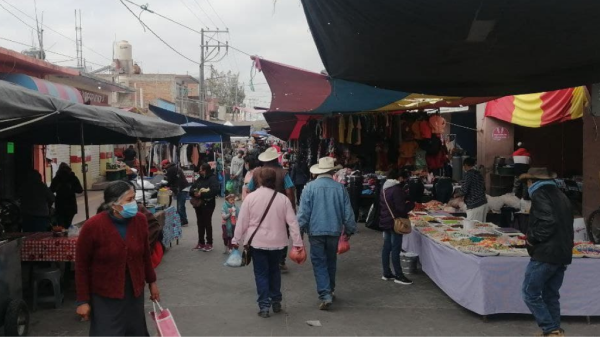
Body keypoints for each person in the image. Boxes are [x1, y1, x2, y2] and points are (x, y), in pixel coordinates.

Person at [75, 181, 160, 336]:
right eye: (129, 200)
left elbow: (145, 256)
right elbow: (81, 266)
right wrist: (82, 300)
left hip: (134, 293)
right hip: (104, 295)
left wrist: (152, 282)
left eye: (134, 198)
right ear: (114, 205)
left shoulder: (140, 221)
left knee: (136, 332)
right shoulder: (93, 226)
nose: (134, 203)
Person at [232, 167, 304, 318]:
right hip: (278, 243)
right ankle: (276, 300)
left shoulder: (250, 198)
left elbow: (242, 222)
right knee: (275, 271)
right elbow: (293, 222)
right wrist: (298, 243)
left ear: (259, 180)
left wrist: (235, 239)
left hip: (257, 243)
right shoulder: (282, 199)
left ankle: (264, 305)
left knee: (261, 274)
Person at [519, 168, 573, 337]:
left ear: (531, 181)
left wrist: (531, 239)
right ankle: (556, 330)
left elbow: (548, 222)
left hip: (546, 253)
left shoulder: (540, 194)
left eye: (527, 182)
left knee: (530, 293)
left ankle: (550, 329)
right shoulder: (560, 194)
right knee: (550, 294)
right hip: (562, 252)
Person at [297, 157, 356, 310]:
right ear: (332, 171)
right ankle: (330, 289)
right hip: (334, 231)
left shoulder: (309, 188)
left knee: (319, 262)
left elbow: (303, 213)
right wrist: (349, 230)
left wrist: (299, 232)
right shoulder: (340, 188)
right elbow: (348, 213)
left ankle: (325, 294)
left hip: (315, 231)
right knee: (331, 260)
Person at [247, 147, 296, 272]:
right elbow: (289, 191)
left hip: (259, 207)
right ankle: (280, 260)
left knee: (262, 228)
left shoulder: (257, 173)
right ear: (275, 158)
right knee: (283, 231)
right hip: (280, 207)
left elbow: (249, 189)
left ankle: (264, 256)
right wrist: (291, 207)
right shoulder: (283, 173)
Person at [379, 169, 415, 284]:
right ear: (399, 178)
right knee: (396, 248)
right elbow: (401, 209)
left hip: (386, 221)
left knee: (386, 247)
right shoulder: (396, 189)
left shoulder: (384, 187)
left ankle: (386, 273)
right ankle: (399, 275)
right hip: (395, 223)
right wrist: (411, 204)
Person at [189, 163, 220, 252]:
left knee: (207, 223)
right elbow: (192, 188)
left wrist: (202, 194)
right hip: (198, 205)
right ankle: (201, 242)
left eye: (201, 170)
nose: (200, 171)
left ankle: (209, 243)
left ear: (205, 170)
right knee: (200, 223)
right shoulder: (200, 179)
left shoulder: (212, 178)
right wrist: (194, 192)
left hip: (208, 204)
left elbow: (215, 191)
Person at [50, 163, 84, 229]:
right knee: (64, 225)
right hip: (64, 205)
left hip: (67, 205)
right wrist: (57, 187)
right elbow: (51, 190)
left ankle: (65, 236)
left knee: (64, 225)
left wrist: (71, 187)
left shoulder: (72, 178)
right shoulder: (58, 179)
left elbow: (80, 190)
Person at [456, 157, 488, 222]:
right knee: (481, 226)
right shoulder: (478, 174)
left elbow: (464, 190)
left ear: (465, 165)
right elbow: (484, 188)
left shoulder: (469, 174)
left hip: (475, 205)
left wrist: (456, 194)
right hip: (483, 203)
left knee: (472, 226)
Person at [161, 160, 190, 226]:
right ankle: (183, 219)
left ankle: (184, 221)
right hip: (182, 187)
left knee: (180, 206)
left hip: (181, 188)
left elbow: (169, 180)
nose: (163, 167)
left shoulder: (171, 169)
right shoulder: (174, 167)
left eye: (163, 166)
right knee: (181, 205)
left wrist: (163, 185)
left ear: (167, 164)